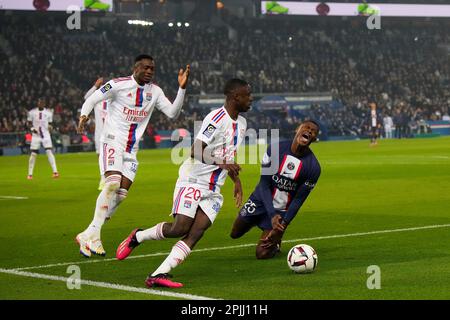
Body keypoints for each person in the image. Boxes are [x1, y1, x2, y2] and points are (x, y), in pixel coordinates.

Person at [116, 78, 252, 288]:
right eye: (247, 95)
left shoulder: (242, 124)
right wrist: (223, 163)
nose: (251, 99)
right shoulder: (216, 118)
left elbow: (228, 156)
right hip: (193, 180)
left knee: (197, 231)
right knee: (179, 228)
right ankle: (138, 236)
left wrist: (236, 180)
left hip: (214, 188)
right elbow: (195, 150)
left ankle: (158, 274)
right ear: (235, 97)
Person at [75, 54, 190, 258]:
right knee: (112, 183)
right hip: (112, 141)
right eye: (145, 67)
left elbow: (173, 113)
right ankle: (94, 234)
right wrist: (84, 116)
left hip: (131, 149)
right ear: (135, 68)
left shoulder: (155, 92)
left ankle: (89, 232)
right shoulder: (117, 85)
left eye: (152, 69)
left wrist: (181, 88)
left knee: (120, 194)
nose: (149, 71)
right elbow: (92, 99)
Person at [229, 120, 321, 260]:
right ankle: (258, 220)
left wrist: (282, 225)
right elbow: (264, 184)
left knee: (262, 254)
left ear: (314, 139)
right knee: (235, 233)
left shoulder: (314, 167)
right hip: (260, 200)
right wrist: (271, 214)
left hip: (280, 211)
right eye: (307, 127)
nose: (309, 131)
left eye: (313, 131)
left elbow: (298, 200)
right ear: (297, 129)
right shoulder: (274, 149)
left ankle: (275, 240)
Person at [84, 77, 109, 190]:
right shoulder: (97, 99)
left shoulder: (108, 98)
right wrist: (95, 86)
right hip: (100, 132)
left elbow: (86, 97)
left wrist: (95, 86)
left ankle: (106, 178)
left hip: (109, 131)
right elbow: (86, 98)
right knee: (100, 155)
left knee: (109, 155)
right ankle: (103, 178)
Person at [27, 98, 59, 180]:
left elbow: (50, 124)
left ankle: (55, 172)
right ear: (38, 103)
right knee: (33, 154)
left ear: (44, 104)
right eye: (39, 102)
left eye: (42, 103)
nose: (41, 104)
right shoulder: (32, 112)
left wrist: (50, 128)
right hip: (36, 135)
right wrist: (32, 129)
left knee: (49, 151)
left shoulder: (48, 113)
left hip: (45, 135)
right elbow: (29, 123)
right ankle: (30, 174)